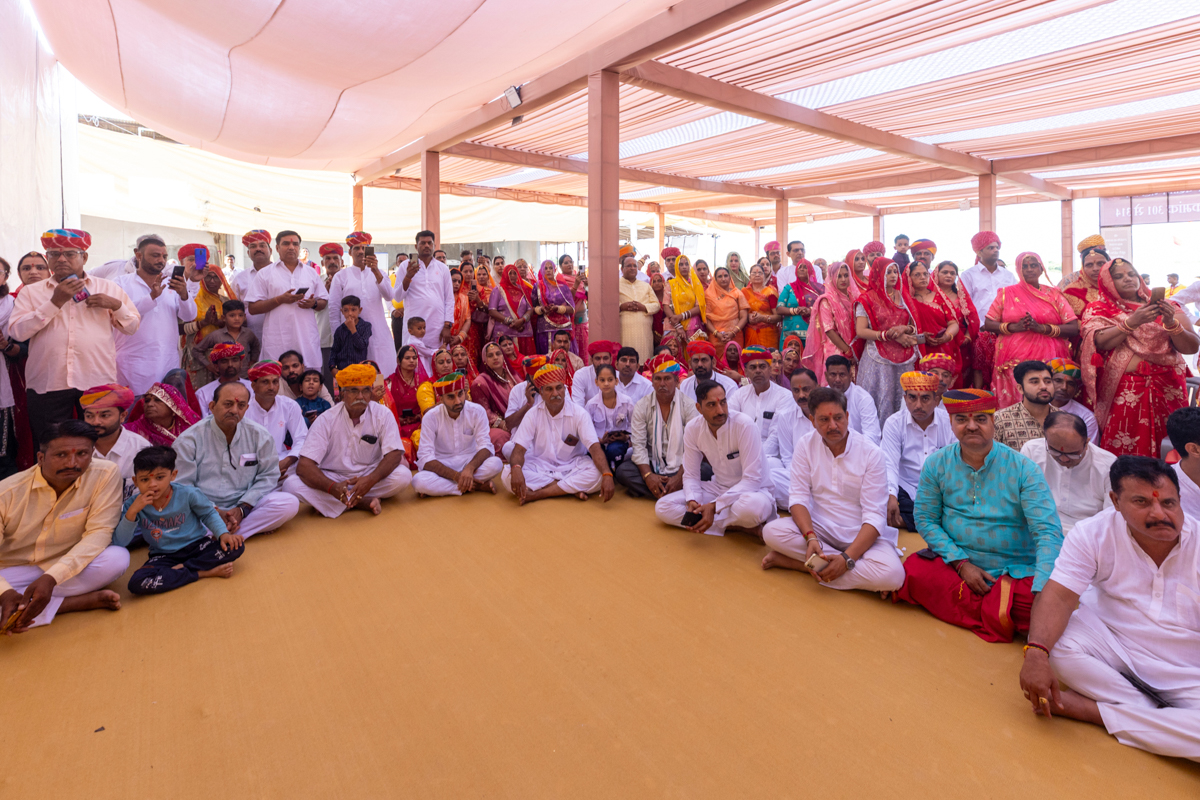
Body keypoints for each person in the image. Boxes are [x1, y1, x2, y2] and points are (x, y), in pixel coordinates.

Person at [1019, 455, 1200, 762]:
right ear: (1115, 501)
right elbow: (1060, 596)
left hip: (1184, 667)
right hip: (1111, 642)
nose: (1159, 514)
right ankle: (1153, 715)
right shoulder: (1093, 532)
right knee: (1058, 646)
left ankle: (1097, 712)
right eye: (1142, 502)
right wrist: (1036, 653)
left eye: (1169, 503)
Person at [894, 388, 1063, 642]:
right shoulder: (936, 464)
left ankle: (989, 606)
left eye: (981, 419)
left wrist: (1041, 591)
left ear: (994, 421)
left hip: (1013, 571)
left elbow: (1048, 532)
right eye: (962, 420)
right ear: (950, 423)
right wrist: (961, 564)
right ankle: (998, 612)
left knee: (1042, 602)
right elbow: (926, 520)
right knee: (913, 570)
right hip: (958, 564)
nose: (971, 426)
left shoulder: (1023, 469)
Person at [760, 386, 903, 591]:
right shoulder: (805, 445)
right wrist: (810, 537)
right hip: (819, 529)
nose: (833, 425)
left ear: (847, 416)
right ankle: (835, 569)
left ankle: (802, 565)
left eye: (838, 418)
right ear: (812, 421)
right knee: (771, 531)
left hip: (859, 533)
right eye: (824, 420)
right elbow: (798, 498)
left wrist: (846, 559)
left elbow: (874, 517)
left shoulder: (871, 453)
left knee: (893, 577)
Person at [10, 229, 140, 444]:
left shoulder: (107, 288)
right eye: (53, 254)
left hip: (96, 381)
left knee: (98, 443)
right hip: (47, 382)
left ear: (84, 257)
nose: (61, 259)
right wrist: (55, 302)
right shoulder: (32, 292)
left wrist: (116, 306)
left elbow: (132, 326)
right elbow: (17, 331)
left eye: (70, 254)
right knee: (49, 445)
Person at [0, 420, 129, 633]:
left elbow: (100, 532)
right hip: (11, 569)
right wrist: (4, 592)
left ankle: (25, 605)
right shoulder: (7, 493)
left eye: (82, 454)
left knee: (116, 559)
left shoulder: (105, 474)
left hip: (64, 564)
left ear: (92, 453)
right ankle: (72, 603)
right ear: (40, 458)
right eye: (61, 455)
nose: (72, 463)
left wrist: (52, 577)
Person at [1081, 258, 1198, 457]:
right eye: (1118, 276)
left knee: (1171, 439)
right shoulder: (1100, 307)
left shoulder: (1168, 305)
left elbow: (1191, 346)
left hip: (1168, 384)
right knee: (1126, 440)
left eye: (1131, 274)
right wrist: (1132, 322)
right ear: (1108, 282)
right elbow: (1099, 342)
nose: (1127, 279)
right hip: (1126, 388)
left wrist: (1170, 322)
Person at [174, 381, 300, 538]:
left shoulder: (259, 435)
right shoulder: (189, 440)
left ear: (247, 408)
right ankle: (226, 533)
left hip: (244, 504)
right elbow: (184, 485)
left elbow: (268, 475)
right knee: (174, 520)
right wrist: (214, 511)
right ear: (212, 406)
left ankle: (221, 534)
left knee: (288, 503)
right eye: (228, 404)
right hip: (204, 508)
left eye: (241, 405)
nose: (234, 410)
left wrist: (243, 508)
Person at [115, 446, 244, 595]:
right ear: (135, 481)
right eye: (144, 479)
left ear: (173, 475)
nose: (152, 484)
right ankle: (202, 572)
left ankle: (181, 570)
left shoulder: (188, 493)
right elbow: (121, 542)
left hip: (197, 546)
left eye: (159, 477)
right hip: (163, 555)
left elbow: (208, 514)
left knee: (236, 546)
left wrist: (223, 534)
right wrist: (132, 512)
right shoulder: (133, 504)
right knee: (137, 583)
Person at [654, 380, 774, 538]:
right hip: (718, 488)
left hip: (753, 492)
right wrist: (693, 501)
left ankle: (716, 521)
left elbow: (752, 480)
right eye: (711, 405)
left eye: (723, 403)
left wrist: (714, 506)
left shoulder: (744, 425)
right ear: (699, 408)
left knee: (751, 509)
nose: (720, 411)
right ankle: (739, 527)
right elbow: (691, 474)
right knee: (663, 507)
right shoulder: (693, 428)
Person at [285, 365, 409, 517]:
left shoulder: (382, 414)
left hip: (368, 474)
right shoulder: (326, 419)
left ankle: (337, 503)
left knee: (403, 476)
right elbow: (304, 466)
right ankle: (361, 502)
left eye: (365, 390)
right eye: (354, 391)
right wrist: (332, 487)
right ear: (342, 394)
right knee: (290, 485)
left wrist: (370, 480)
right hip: (332, 477)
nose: (360, 396)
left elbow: (394, 454)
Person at [501, 364, 614, 504]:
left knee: (598, 475)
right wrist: (517, 469)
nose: (555, 393)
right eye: (549, 389)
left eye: (559, 388)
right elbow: (519, 450)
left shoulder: (579, 414)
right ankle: (567, 489)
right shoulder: (533, 414)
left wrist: (607, 474)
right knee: (507, 474)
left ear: (565, 389)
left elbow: (594, 448)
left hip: (572, 466)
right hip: (540, 466)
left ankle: (539, 494)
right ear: (541, 392)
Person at [983, 251, 1078, 407]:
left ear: (1041, 269)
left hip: (1050, 356)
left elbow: (1073, 327)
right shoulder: (1007, 293)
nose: (1029, 269)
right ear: (1018, 270)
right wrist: (1015, 327)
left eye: (1033, 265)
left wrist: (1041, 328)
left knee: (1045, 397)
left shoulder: (1054, 294)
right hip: (1013, 358)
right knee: (1017, 398)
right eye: (1024, 266)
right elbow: (989, 323)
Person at [111, 235, 195, 395]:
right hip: (132, 365)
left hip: (166, 361)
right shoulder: (120, 283)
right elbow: (121, 315)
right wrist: (151, 297)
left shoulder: (170, 284)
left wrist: (184, 295)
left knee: (164, 413)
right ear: (138, 255)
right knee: (133, 414)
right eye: (155, 255)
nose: (161, 260)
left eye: (164, 256)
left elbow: (189, 316)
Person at [617, 360, 704, 499]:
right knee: (623, 471)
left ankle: (659, 491)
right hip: (653, 463)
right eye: (658, 379)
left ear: (676, 381)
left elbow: (695, 448)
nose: (662, 384)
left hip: (682, 464)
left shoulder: (689, 406)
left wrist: (678, 477)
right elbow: (638, 445)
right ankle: (673, 492)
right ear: (652, 382)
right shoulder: (642, 406)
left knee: (707, 470)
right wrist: (648, 476)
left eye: (667, 378)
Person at [1021, 411, 1115, 534]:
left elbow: (1111, 518)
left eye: (1073, 454)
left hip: (1088, 535)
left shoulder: (1108, 465)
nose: (1063, 459)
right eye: (1055, 451)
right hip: (1038, 528)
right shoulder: (1031, 451)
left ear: (1087, 443)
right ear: (1046, 440)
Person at [882, 372, 954, 532]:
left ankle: (909, 521)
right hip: (906, 489)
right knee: (883, 503)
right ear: (905, 398)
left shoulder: (949, 421)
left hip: (940, 490)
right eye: (912, 398)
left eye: (925, 398)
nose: (918, 405)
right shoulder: (894, 423)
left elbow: (958, 463)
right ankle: (934, 522)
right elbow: (889, 463)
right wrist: (891, 495)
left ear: (936, 400)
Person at [246, 230, 329, 367]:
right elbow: (253, 308)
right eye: (286, 244)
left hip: (306, 340)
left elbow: (323, 302)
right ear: (277, 248)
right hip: (277, 341)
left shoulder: (311, 273)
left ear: (299, 248)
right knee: (276, 382)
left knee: (309, 382)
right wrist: (279, 300)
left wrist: (313, 303)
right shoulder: (265, 274)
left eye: (295, 244)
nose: (291, 247)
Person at [412, 371, 502, 497]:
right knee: (418, 481)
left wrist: (470, 468)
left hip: (469, 461)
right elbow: (425, 458)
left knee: (496, 464)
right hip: (442, 463)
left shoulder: (477, 411)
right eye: (451, 397)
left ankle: (446, 487)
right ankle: (476, 486)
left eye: (460, 394)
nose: (458, 401)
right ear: (441, 398)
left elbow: (486, 446)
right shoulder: (431, 417)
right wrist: (456, 476)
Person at [855, 258, 918, 423]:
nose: (893, 276)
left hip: (903, 358)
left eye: (895, 271)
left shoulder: (902, 295)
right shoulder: (867, 299)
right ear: (878, 274)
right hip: (877, 359)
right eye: (888, 272)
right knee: (881, 398)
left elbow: (913, 325)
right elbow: (860, 331)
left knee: (902, 399)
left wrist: (904, 329)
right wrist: (887, 335)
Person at [327, 232, 396, 369]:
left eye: (364, 248)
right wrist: (339, 338)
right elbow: (334, 310)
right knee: (356, 379)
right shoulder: (341, 276)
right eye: (356, 248)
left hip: (378, 333)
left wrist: (375, 270)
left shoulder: (380, 273)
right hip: (350, 336)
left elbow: (389, 296)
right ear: (350, 253)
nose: (360, 251)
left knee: (382, 375)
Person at [959, 231, 1016, 390]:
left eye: (997, 247)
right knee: (978, 371)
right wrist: (979, 326)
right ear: (979, 252)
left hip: (1005, 331)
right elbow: (964, 304)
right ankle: (981, 401)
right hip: (979, 331)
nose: (995, 250)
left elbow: (1015, 302)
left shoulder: (1008, 275)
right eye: (990, 247)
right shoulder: (968, 275)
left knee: (1003, 369)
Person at [81, 383, 150, 500]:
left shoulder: (140, 448)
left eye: (105, 415)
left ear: (123, 416)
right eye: (89, 416)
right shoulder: (76, 447)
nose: (96, 422)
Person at [764, 368, 817, 510]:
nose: (801, 395)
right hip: (797, 476)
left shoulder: (827, 414)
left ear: (817, 387)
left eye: (806, 389)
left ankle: (803, 505)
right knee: (768, 472)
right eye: (796, 391)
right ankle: (808, 505)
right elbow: (787, 458)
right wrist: (802, 481)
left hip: (826, 477)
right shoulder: (786, 416)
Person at [243, 360, 307, 478]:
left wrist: (286, 462)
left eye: (275, 382)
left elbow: (302, 438)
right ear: (253, 386)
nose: (271, 387)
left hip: (282, 462)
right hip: (251, 466)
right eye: (265, 382)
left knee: (306, 468)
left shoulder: (289, 405)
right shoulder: (243, 409)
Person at [903, 260, 961, 379]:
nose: (922, 277)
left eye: (925, 274)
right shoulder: (905, 301)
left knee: (943, 384)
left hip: (943, 347)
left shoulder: (939, 297)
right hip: (917, 350)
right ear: (909, 278)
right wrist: (920, 337)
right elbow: (903, 327)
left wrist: (947, 336)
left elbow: (953, 323)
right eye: (917, 275)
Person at [802, 261, 856, 387]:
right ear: (832, 278)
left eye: (846, 275)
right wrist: (847, 351)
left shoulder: (853, 298)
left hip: (854, 350)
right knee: (836, 386)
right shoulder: (826, 300)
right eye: (839, 276)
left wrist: (854, 351)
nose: (843, 279)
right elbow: (829, 330)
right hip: (836, 349)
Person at [728, 346, 792, 444]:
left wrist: (758, 457)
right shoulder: (739, 394)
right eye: (753, 367)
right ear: (746, 372)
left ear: (769, 369)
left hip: (772, 456)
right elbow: (729, 422)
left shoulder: (784, 396)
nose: (758, 371)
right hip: (742, 450)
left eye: (762, 367)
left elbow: (775, 435)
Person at [192, 300, 260, 384]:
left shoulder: (248, 333)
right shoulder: (216, 335)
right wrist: (209, 366)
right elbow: (197, 350)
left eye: (240, 315)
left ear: (245, 316)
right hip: (222, 378)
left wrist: (253, 360)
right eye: (232, 315)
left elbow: (256, 346)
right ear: (223, 318)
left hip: (244, 376)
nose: (237, 318)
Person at [993, 360, 1055, 452]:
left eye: (1047, 381)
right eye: (1034, 382)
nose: (1043, 386)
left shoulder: (1065, 419)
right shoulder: (1000, 420)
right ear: (1020, 388)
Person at [935, 260, 979, 389]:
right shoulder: (929, 296)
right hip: (936, 342)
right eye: (945, 272)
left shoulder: (961, 297)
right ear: (936, 274)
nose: (949, 275)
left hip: (960, 344)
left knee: (957, 378)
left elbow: (972, 319)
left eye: (952, 273)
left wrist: (967, 337)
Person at [822, 355, 881, 445]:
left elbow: (872, 437)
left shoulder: (863, 398)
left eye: (842, 375)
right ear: (826, 376)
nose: (837, 380)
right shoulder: (821, 398)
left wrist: (847, 451)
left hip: (859, 452)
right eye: (833, 375)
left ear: (850, 375)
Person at [585, 364, 634, 469]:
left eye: (610, 380)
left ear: (616, 381)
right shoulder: (591, 404)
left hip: (619, 442)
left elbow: (634, 425)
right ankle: (609, 470)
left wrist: (626, 437)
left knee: (614, 450)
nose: (606, 384)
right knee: (590, 453)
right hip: (599, 442)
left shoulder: (627, 402)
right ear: (596, 382)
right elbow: (586, 429)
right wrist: (599, 440)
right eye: (602, 380)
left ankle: (615, 469)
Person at [124, 382, 199, 447]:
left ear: (173, 409)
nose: (149, 404)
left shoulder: (190, 430)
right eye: (147, 400)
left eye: (158, 400)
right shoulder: (131, 430)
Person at [232, 229, 273, 340]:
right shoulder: (240, 278)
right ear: (248, 253)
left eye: (262, 245)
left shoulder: (283, 274)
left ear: (270, 250)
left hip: (280, 334)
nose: (258, 249)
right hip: (250, 336)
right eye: (253, 246)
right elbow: (234, 306)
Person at [487, 264, 535, 355]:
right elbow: (492, 311)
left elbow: (530, 309)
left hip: (523, 331)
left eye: (514, 273)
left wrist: (522, 320)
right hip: (504, 332)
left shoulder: (523, 289)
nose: (512, 276)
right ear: (505, 274)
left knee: (524, 361)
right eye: (510, 273)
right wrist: (510, 321)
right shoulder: (498, 290)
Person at [1046, 358, 1098, 442]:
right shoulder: (1036, 407)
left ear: (1076, 389)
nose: (1064, 387)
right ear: (1047, 382)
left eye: (1070, 384)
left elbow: (1090, 449)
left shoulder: (1086, 418)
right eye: (1058, 381)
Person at [196, 342, 252, 415]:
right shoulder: (203, 394)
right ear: (216, 367)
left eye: (234, 360)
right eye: (224, 361)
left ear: (241, 364)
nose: (230, 364)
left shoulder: (253, 389)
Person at [1061, 235, 1108, 320]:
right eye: (1089, 265)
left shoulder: (1115, 280)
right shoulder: (1069, 281)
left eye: (1103, 251)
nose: (1095, 268)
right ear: (1082, 257)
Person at [778, 259, 823, 347]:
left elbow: (824, 308)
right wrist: (796, 310)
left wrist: (810, 310)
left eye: (805, 267)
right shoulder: (789, 288)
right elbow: (779, 309)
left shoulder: (819, 289)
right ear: (796, 270)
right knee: (789, 359)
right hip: (790, 332)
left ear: (810, 270)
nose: (802, 269)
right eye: (799, 267)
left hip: (812, 332)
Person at [703, 265, 749, 348]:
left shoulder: (737, 293)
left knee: (735, 358)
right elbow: (706, 318)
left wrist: (733, 332)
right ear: (715, 279)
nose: (723, 279)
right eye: (720, 276)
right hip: (716, 337)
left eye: (725, 276)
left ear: (730, 278)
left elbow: (744, 317)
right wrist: (717, 334)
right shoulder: (709, 295)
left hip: (735, 335)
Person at [665, 255, 707, 338]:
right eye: (681, 264)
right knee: (675, 350)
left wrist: (681, 316)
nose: (684, 267)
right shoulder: (670, 284)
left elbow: (699, 307)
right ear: (677, 267)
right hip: (673, 325)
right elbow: (666, 306)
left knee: (693, 350)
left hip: (692, 325)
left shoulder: (696, 284)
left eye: (686, 264)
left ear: (689, 266)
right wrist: (677, 325)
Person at [741, 264, 781, 349]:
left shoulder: (770, 292)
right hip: (750, 332)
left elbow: (778, 316)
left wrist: (762, 318)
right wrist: (748, 317)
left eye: (760, 273)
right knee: (751, 358)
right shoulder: (744, 292)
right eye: (754, 273)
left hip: (768, 334)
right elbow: (739, 313)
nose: (757, 275)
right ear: (749, 276)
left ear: (764, 276)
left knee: (768, 359)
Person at [557, 254, 590, 355]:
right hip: (570, 319)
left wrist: (587, 285)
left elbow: (588, 297)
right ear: (561, 266)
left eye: (571, 262)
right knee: (573, 348)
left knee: (583, 348)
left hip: (583, 319)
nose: (569, 264)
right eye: (566, 263)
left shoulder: (579, 278)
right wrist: (576, 284)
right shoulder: (560, 279)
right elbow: (567, 298)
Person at [330, 295, 372, 372]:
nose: (350, 313)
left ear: (360, 310)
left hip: (359, 369)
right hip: (343, 370)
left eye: (353, 310)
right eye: (346, 310)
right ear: (342, 311)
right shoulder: (339, 330)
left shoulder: (366, 326)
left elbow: (362, 346)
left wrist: (353, 329)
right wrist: (332, 367)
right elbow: (334, 350)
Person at [570, 340, 619, 407]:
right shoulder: (581, 375)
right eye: (597, 359)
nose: (602, 362)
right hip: (587, 416)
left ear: (611, 359)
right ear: (591, 360)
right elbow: (578, 406)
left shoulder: (618, 376)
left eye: (605, 358)